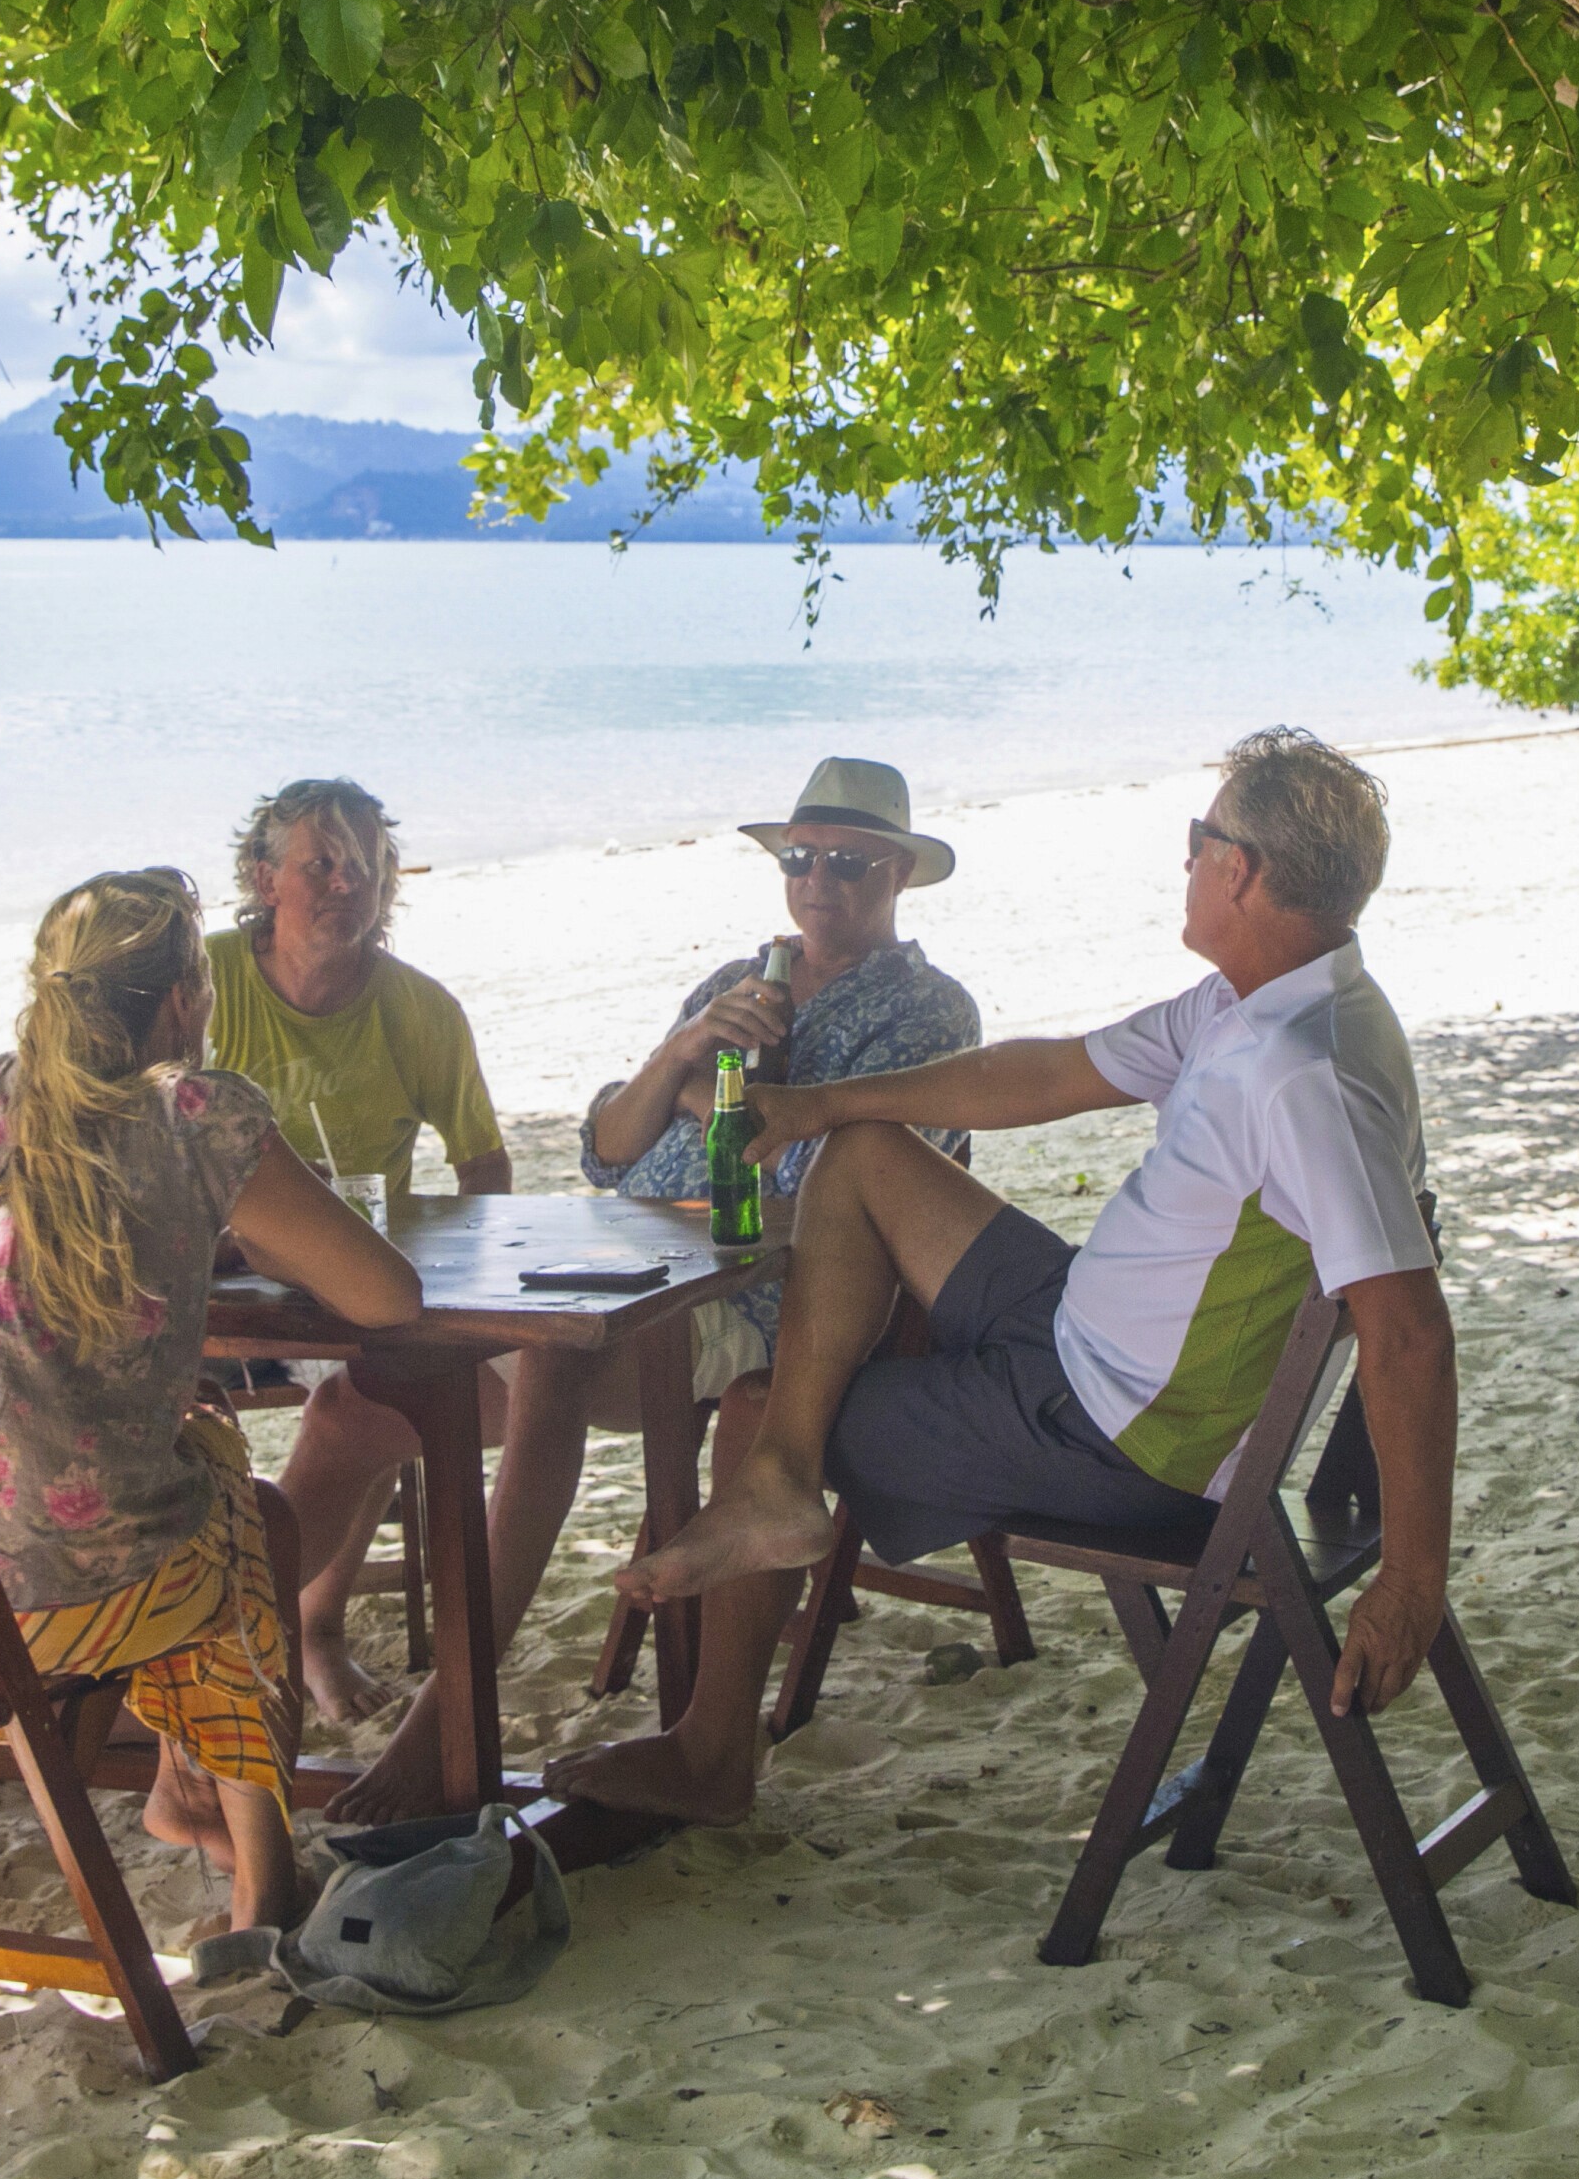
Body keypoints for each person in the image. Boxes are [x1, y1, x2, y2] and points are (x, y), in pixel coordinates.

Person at [571, 730, 1454, 1828]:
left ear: (1241, 871)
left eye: (1198, 840)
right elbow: (1054, 1069)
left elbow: (1408, 1331)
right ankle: (782, 1483)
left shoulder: (1302, 1070)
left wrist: (1412, 1580)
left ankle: (711, 1747)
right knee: (865, 1156)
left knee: (761, 1410)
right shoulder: (1254, 1003)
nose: (1184, 860)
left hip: (1115, 1425)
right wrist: (817, 1107)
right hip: (1084, 1326)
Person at [318, 757, 990, 1822]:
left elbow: (807, 1168)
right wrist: (684, 1049)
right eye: (802, 857)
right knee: (383, 1382)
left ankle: (452, 1714)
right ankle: (272, 1663)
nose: (820, 882)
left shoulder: (926, 1012)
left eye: (850, 864)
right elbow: (605, 1148)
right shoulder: (736, 981)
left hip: (773, 1297)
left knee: (549, 1361)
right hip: (633, 1261)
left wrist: (718, 1096)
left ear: (898, 874)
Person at [0, 867, 419, 1940]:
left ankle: (183, 1784)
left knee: (185, 1470)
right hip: (48, 1609)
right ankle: (261, 1874)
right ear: (180, 999)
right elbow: (383, 1295)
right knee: (245, 1512)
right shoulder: (195, 1115)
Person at [203, 778, 517, 1721]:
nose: (347, 883)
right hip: (207, 1280)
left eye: (367, 864)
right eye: (320, 864)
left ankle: (309, 1628)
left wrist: (462, 1289)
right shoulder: (204, 981)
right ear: (264, 877)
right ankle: (202, 1631)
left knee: (374, 1388)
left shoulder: (420, 1010)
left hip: (347, 1279)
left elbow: (483, 1169)